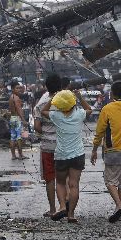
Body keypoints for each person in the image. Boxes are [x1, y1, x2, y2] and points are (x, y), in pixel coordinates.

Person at [91, 81, 121, 223]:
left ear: (111, 93)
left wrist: (94, 150)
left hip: (112, 150)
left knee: (110, 181)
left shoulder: (107, 109)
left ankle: (119, 205)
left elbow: (99, 131)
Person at [43, 89, 92, 223]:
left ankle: (63, 206)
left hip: (61, 155)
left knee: (60, 182)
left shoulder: (56, 116)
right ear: (73, 103)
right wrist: (80, 97)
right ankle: (71, 215)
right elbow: (89, 109)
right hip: (78, 154)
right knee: (74, 185)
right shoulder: (79, 114)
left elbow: (43, 112)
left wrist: (53, 99)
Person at [33, 74, 62, 217]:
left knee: (50, 178)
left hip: (47, 147)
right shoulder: (65, 101)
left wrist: (46, 132)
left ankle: (52, 209)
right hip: (64, 145)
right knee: (65, 177)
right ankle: (65, 207)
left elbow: (37, 127)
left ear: (46, 86)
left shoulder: (41, 103)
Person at [8, 80, 28, 160]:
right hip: (17, 119)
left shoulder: (11, 97)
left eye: (19, 88)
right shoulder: (16, 98)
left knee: (12, 137)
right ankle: (20, 155)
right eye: (17, 88)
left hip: (12, 118)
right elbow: (19, 109)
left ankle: (13, 155)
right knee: (19, 137)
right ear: (12, 89)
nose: (19, 90)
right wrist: (23, 120)